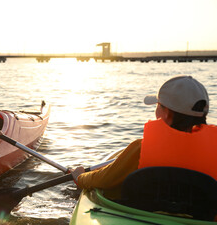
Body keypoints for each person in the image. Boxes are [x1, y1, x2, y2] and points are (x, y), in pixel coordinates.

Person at [71, 75, 217, 200]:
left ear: (166, 113)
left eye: (158, 105)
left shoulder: (142, 148)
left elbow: (105, 179)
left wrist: (80, 177)